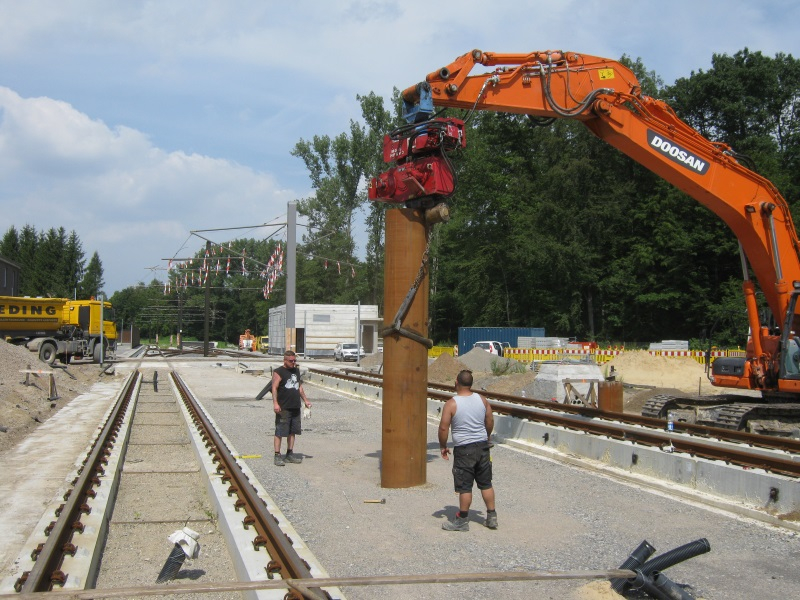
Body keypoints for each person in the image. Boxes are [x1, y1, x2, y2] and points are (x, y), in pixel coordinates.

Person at [438, 369, 497, 531]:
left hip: (464, 449)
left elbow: (444, 428)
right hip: (483, 446)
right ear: (471, 383)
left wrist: (443, 445)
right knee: (486, 483)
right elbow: (490, 419)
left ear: (456, 382)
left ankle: (462, 520)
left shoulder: (452, 403)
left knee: (465, 486)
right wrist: (487, 436)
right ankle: (492, 517)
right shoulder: (482, 400)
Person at [271, 350, 312, 466]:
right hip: (283, 406)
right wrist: (275, 403)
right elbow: (274, 388)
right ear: (285, 360)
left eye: (294, 360)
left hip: (295, 406)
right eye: (291, 361)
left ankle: (290, 453)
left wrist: (306, 400)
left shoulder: (296, 371)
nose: (293, 362)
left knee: (292, 431)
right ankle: (277, 455)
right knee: (280, 431)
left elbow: (299, 387)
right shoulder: (278, 372)